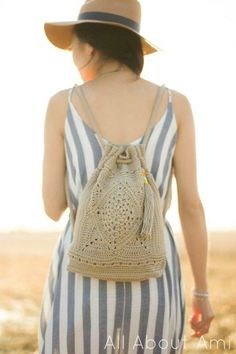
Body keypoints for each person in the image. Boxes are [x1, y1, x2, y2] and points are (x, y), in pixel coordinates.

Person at [39, 0, 215, 353]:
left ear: (88, 47)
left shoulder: (63, 104)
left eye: (73, 46)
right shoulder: (175, 104)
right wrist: (201, 291)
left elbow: (53, 206)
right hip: (154, 277)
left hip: (80, 278)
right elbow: (191, 207)